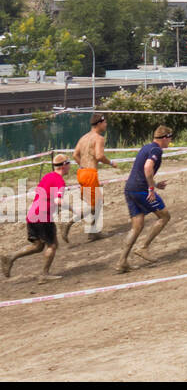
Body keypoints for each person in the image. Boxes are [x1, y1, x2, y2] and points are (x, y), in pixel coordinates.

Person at [1, 154, 75, 282]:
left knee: (38, 246)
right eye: (68, 163)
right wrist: (73, 209)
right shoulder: (59, 180)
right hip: (42, 217)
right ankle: (44, 275)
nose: (70, 166)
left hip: (32, 215)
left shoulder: (47, 176)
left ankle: (10, 257)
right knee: (52, 245)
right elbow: (58, 200)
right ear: (64, 165)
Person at [115, 127, 174, 273]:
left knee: (137, 226)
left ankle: (121, 262)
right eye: (170, 137)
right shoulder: (157, 150)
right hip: (141, 190)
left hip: (130, 188)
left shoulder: (147, 147)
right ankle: (144, 247)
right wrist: (151, 189)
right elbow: (148, 168)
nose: (171, 140)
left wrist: (155, 184)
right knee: (165, 216)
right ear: (165, 137)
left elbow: (141, 171)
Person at [61, 112, 121, 243]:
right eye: (105, 123)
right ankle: (69, 223)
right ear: (99, 123)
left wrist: (83, 165)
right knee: (95, 204)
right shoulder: (99, 138)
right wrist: (111, 162)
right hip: (90, 174)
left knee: (96, 202)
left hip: (82, 173)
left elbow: (75, 154)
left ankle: (93, 232)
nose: (106, 125)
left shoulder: (83, 138)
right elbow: (99, 156)